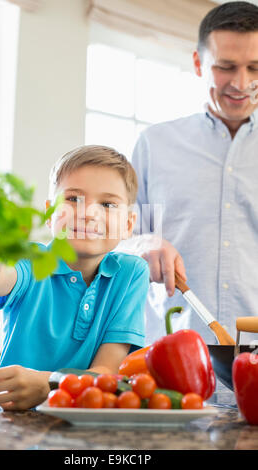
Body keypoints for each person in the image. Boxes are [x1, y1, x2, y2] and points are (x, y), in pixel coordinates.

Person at [0, 145, 150, 410]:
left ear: (128, 224)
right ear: (50, 214)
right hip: (14, 422)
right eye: (73, 199)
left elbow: (107, 370)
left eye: (107, 204)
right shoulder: (31, 261)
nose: (88, 213)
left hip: (87, 424)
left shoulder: (131, 274)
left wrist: (50, 384)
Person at [131, 1, 258, 345]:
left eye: (254, 67)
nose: (241, 83)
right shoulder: (154, 144)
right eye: (226, 67)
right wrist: (144, 242)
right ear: (199, 63)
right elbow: (117, 243)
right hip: (168, 362)